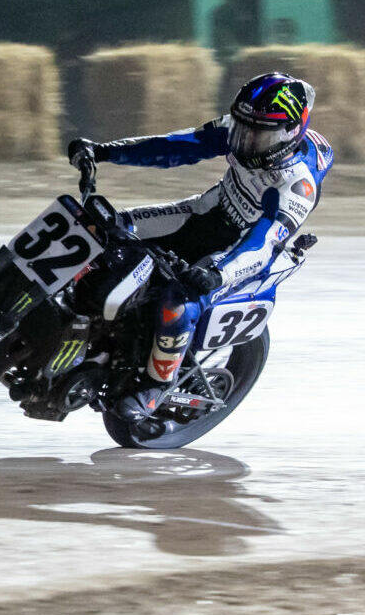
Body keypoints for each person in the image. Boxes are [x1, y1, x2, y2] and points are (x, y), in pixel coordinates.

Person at [67, 72, 329, 422]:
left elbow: (261, 243)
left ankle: (155, 385)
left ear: (290, 133)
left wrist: (217, 274)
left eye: (257, 134)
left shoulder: (296, 186)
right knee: (106, 228)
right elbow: (178, 146)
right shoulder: (245, 127)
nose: (244, 141)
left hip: (236, 255)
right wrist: (104, 151)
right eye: (241, 128)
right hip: (204, 212)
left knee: (177, 301)